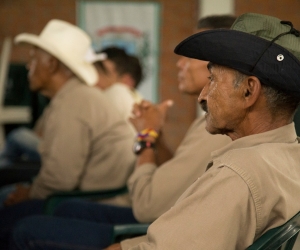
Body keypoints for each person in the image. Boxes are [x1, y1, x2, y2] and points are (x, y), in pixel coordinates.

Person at [8, 15, 235, 250]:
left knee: (26, 227)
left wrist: (146, 135)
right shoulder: (208, 123)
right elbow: (171, 173)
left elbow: (147, 205)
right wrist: (154, 133)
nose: (179, 63)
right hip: (153, 212)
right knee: (65, 209)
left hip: (151, 221)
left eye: (193, 53)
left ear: (219, 63)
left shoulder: (217, 130)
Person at [100, 12, 300, 249]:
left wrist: (146, 136)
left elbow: (149, 211)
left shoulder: (235, 175)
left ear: (248, 91)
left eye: (212, 79)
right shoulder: (289, 155)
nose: (203, 96)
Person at [0, 19, 137, 248]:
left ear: (52, 64)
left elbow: (60, 180)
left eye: (33, 59)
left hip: (90, 202)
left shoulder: (74, 102)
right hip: (82, 196)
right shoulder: (72, 97)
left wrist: (29, 192)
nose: (28, 66)